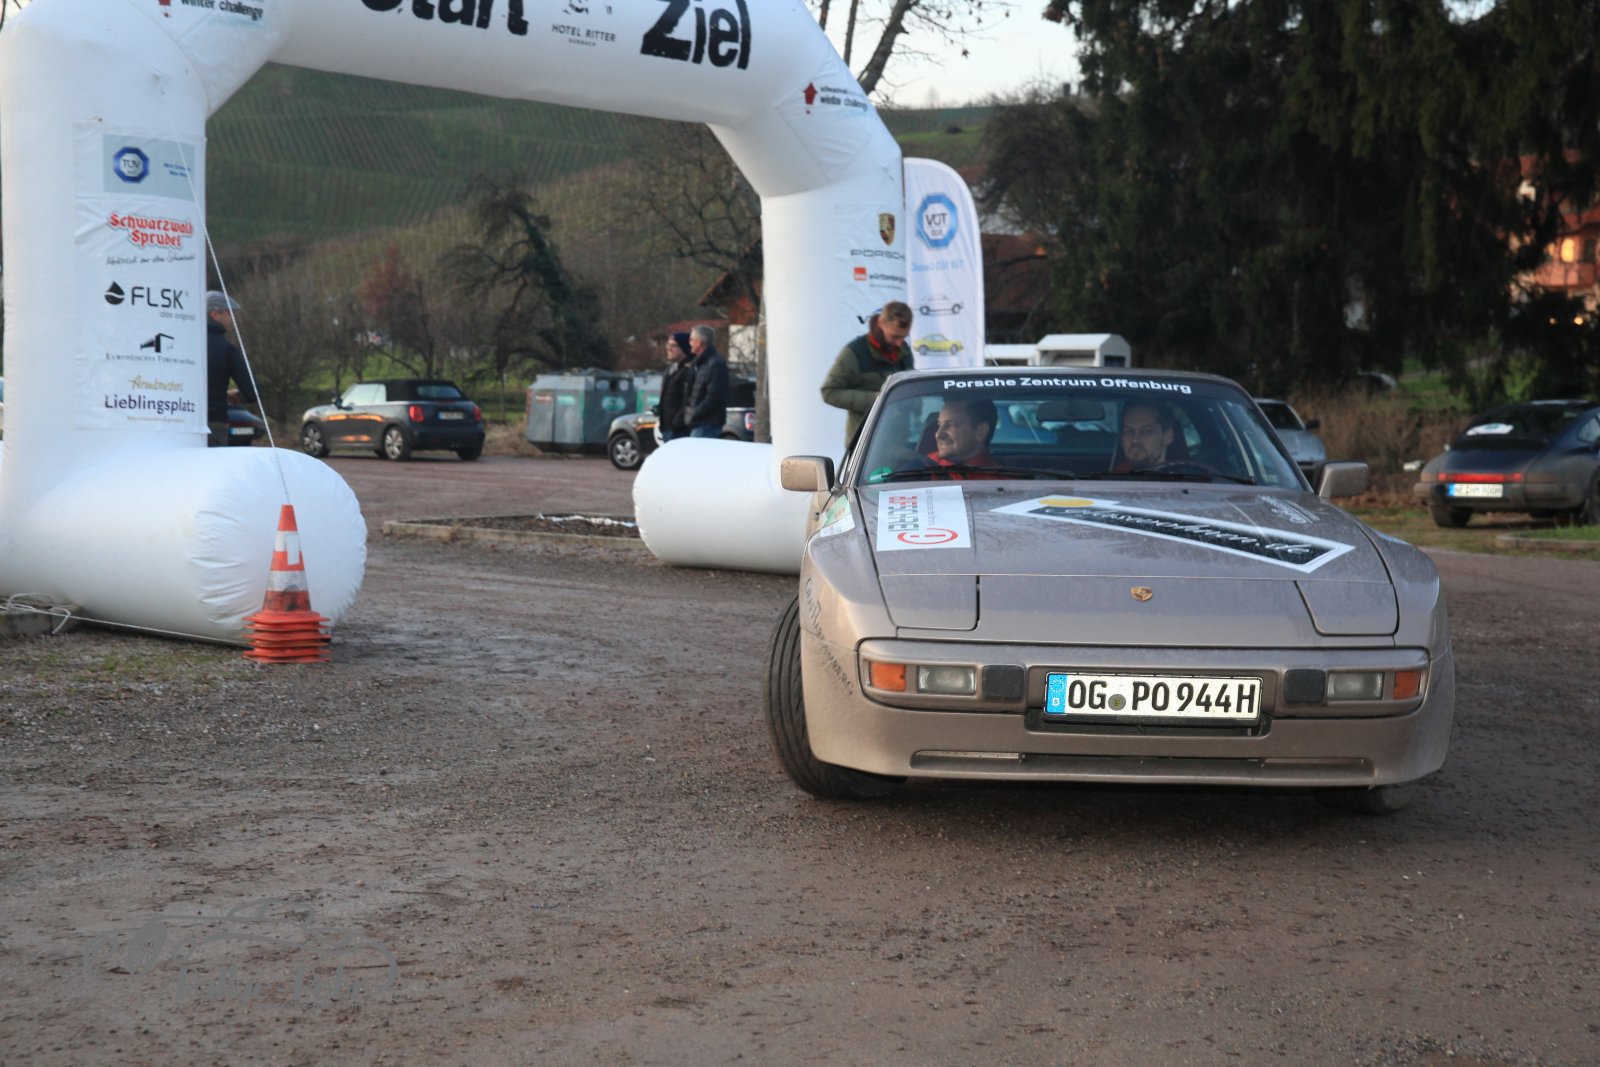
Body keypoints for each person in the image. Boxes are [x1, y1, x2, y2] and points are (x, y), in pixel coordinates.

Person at [820, 300, 914, 449]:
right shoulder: (855, 352)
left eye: (903, 337)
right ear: (881, 323)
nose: (899, 343)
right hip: (866, 445)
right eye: (894, 336)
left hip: (902, 441)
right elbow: (829, 392)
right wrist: (876, 399)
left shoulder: (904, 350)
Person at [205, 291, 256, 447]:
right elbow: (252, 392)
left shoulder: (182, 343)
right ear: (215, 314)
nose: (232, 319)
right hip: (215, 423)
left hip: (181, 423)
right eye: (229, 313)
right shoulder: (226, 349)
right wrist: (232, 395)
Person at [921, 396, 1002, 478]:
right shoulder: (924, 466)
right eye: (939, 425)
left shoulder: (999, 481)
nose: (938, 434)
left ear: (981, 431)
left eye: (951, 425)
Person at [682, 325, 729, 439]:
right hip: (699, 423)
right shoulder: (700, 363)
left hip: (707, 424)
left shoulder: (715, 364)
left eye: (691, 340)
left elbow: (714, 397)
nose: (689, 343)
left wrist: (693, 414)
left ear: (699, 342)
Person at [1114, 400, 1177, 472]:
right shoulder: (1114, 476)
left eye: (1146, 431)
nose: (1135, 440)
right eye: (1128, 431)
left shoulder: (1183, 476)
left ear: (1168, 436)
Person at [656, 331, 693, 442]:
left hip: (679, 430)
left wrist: (676, 423)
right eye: (668, 345)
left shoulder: (688, 371)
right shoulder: (670, 370)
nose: (669, 349)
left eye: (674, 346)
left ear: (684, 348)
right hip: (667, 427)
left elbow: (688, 400)